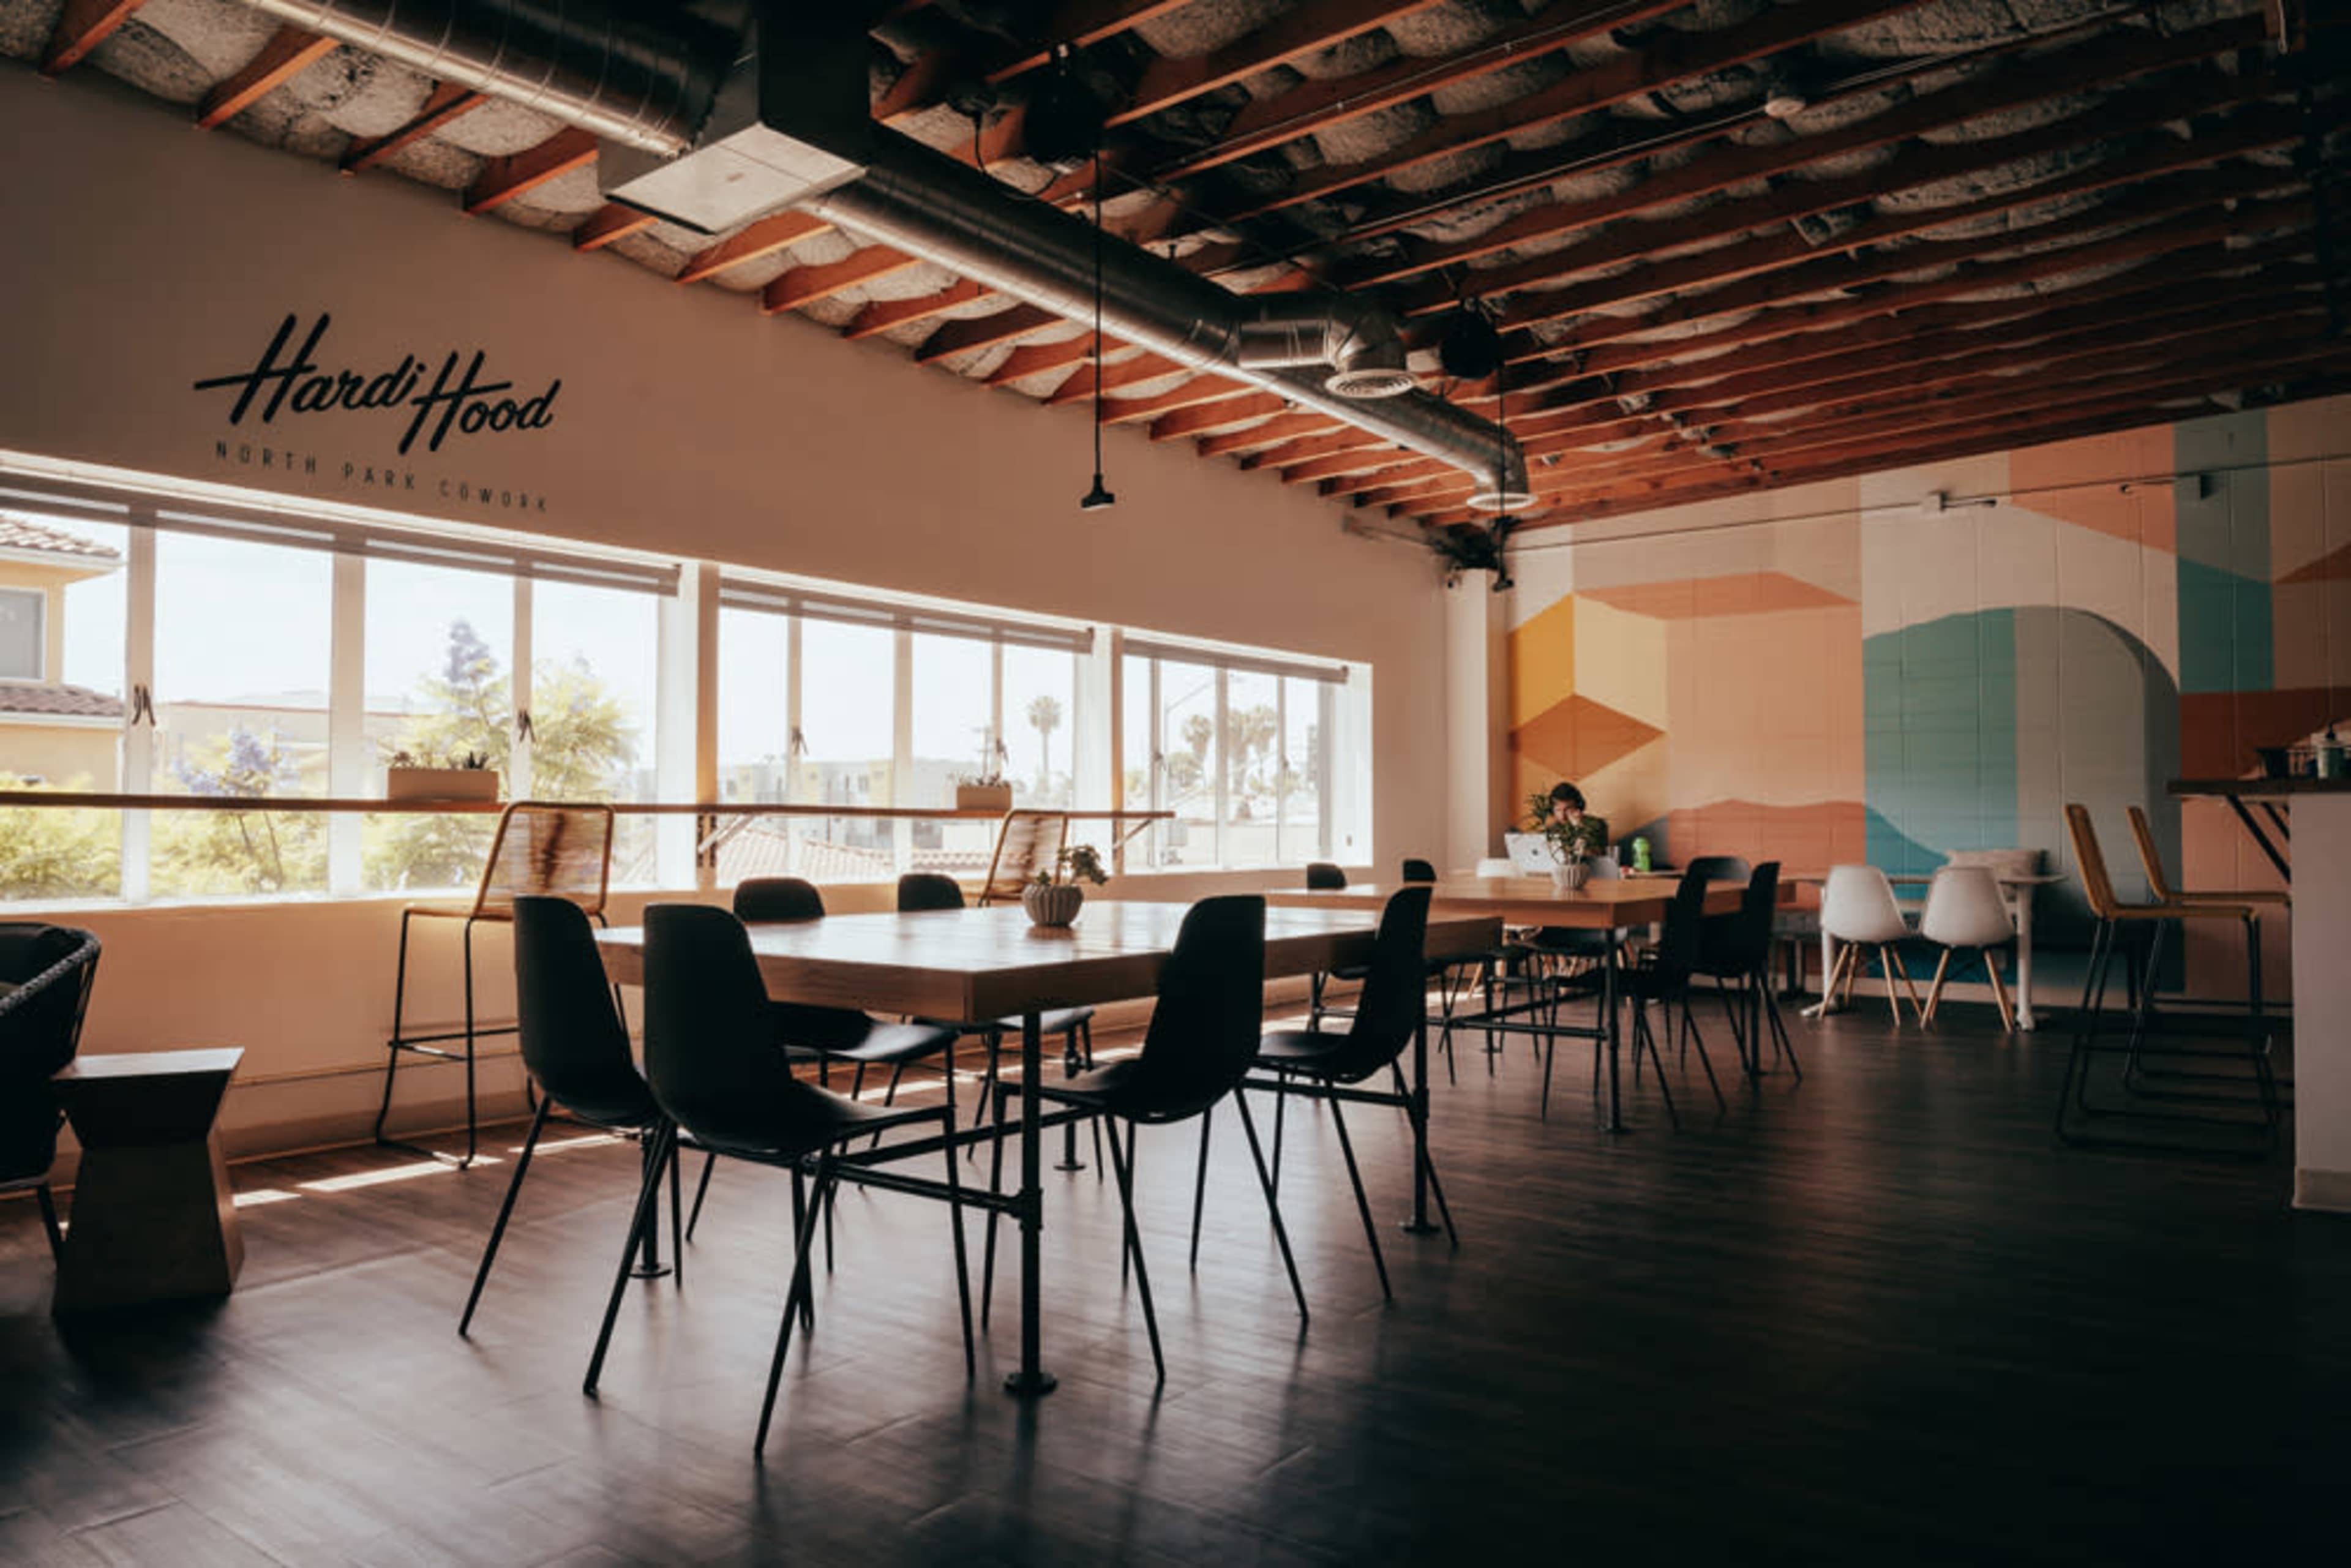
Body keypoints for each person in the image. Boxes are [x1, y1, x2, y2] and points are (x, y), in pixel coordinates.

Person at [1542, 782, 1609, 860]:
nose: (1563, 816)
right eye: (1558, 810)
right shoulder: (1554, 828)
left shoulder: (1597, 824)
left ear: (1578, 807)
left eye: (1568, 809)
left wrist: (1578, 827)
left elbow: (1594, 855)